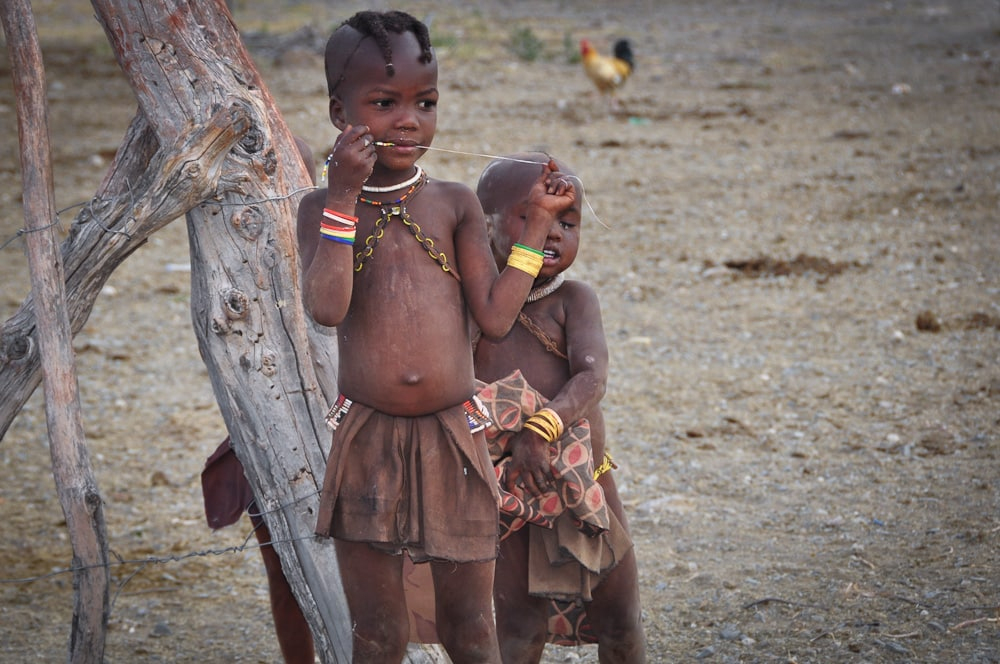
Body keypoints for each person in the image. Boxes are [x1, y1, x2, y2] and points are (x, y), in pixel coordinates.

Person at [297, 11, 576, 663]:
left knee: (471, 628)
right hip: (366, 440)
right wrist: (342, 194)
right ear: (341, 112)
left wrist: (534, 229)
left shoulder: (451, 203)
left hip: (454, 434)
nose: (409, 121)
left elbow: (496, 316)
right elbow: (327, 308)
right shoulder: (321, 208)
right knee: (379, 633)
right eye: (384, 102)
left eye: (425, 103)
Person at [473, 153, 647, 662]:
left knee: (619, 617)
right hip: (514, 494)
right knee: (521, 628)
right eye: (532, 218)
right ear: (483, 226)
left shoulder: (574, 299)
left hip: (587, 481)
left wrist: (541, 428)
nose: (551, 234)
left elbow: (591, 377)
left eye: (566, 222)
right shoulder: (473, 310)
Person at [200, 135, 319, 664]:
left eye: (287, 188)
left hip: (346, 422)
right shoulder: (226, 267)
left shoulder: (342, 243)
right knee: (287, 564)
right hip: (271, 430)